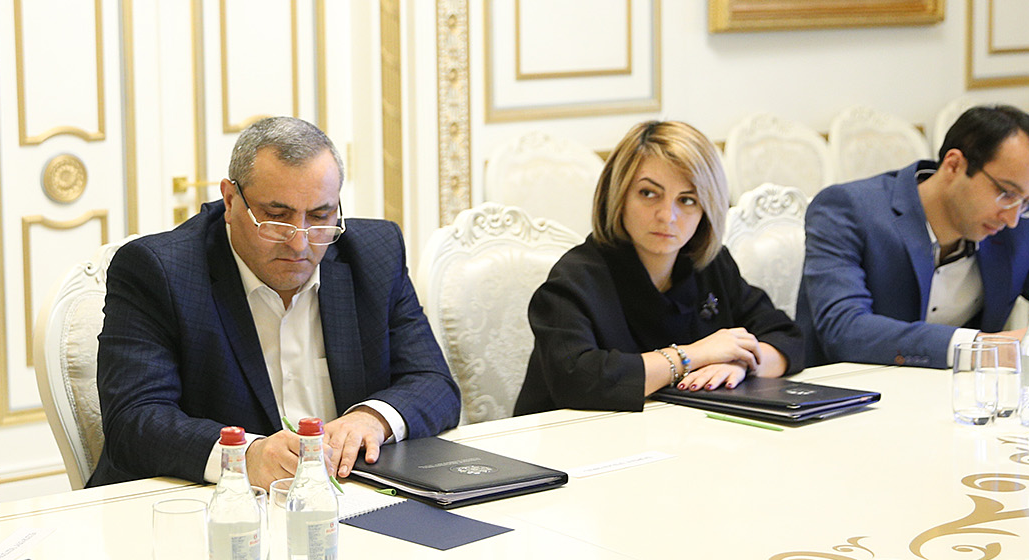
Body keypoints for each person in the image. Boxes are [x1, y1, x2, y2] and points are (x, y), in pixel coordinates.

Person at [90, 117, 461, 489]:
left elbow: (433, 382)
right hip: (206, 502)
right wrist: (245, 456)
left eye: (320, 216)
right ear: (230, 200)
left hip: (347, 492)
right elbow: (134, 422)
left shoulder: (375, 253)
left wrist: (372, 418)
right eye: (277, 217)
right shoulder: (159, 270)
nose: (299, 243)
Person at [513, 120, 802, 415]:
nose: (667, 215)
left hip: (678, 432)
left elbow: (787, 339)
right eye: (648, 193)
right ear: (618, 195)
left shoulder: (711, 265)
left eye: (687, 200)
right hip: (571, 437)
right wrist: (694, 355)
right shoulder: (575, 278)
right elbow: (578, 380)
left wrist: (740, 364)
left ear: (707, 209)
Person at [798, 104, 1029, 367]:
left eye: (1027, 202)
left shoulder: (1016, 231)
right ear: (954, 165)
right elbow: (845, 330)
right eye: (1006, 193)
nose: (1013, 218)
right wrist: (979, 348)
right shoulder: (847, 210)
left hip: (959, 394)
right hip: (848, 392)